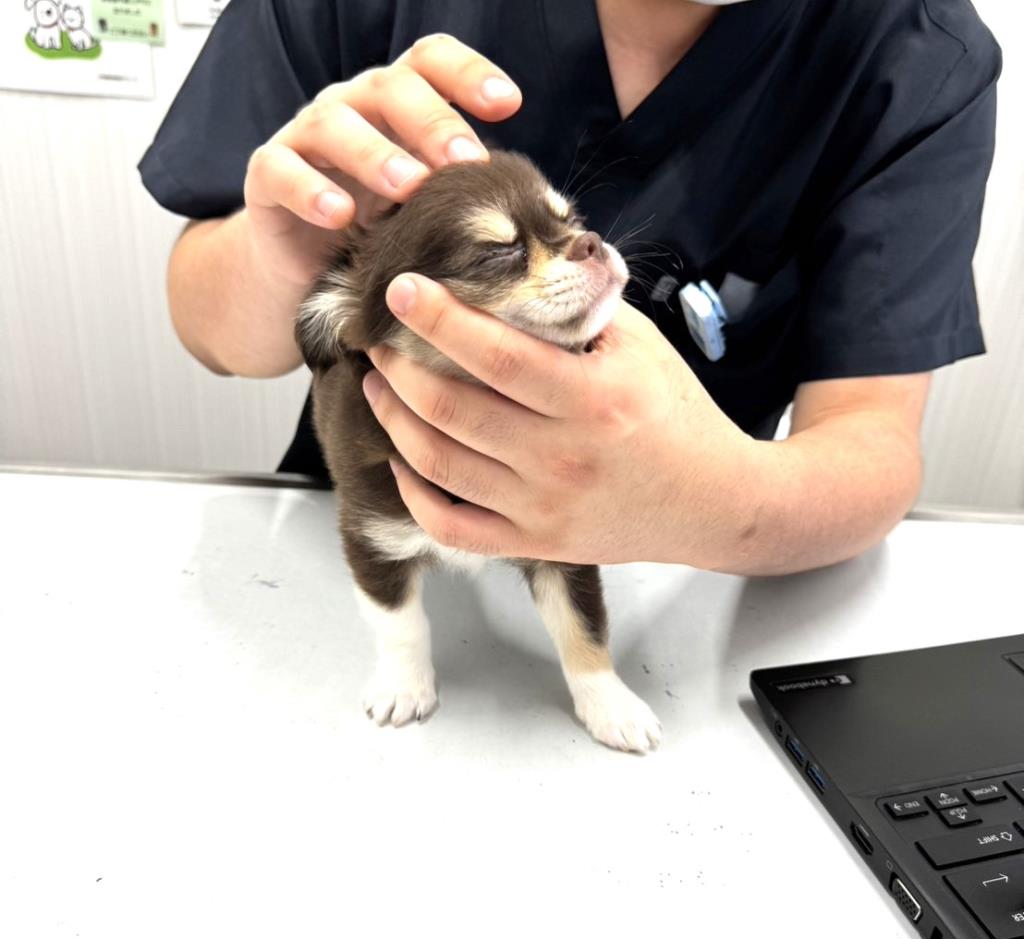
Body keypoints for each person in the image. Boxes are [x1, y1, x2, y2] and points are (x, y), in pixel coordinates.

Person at [139, 0, 1001, 574]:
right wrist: (285, 256)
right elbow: (209, 328)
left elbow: (872, 441)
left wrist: (710, 503)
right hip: (366, 537)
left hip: (685, 576)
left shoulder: (917, 57)